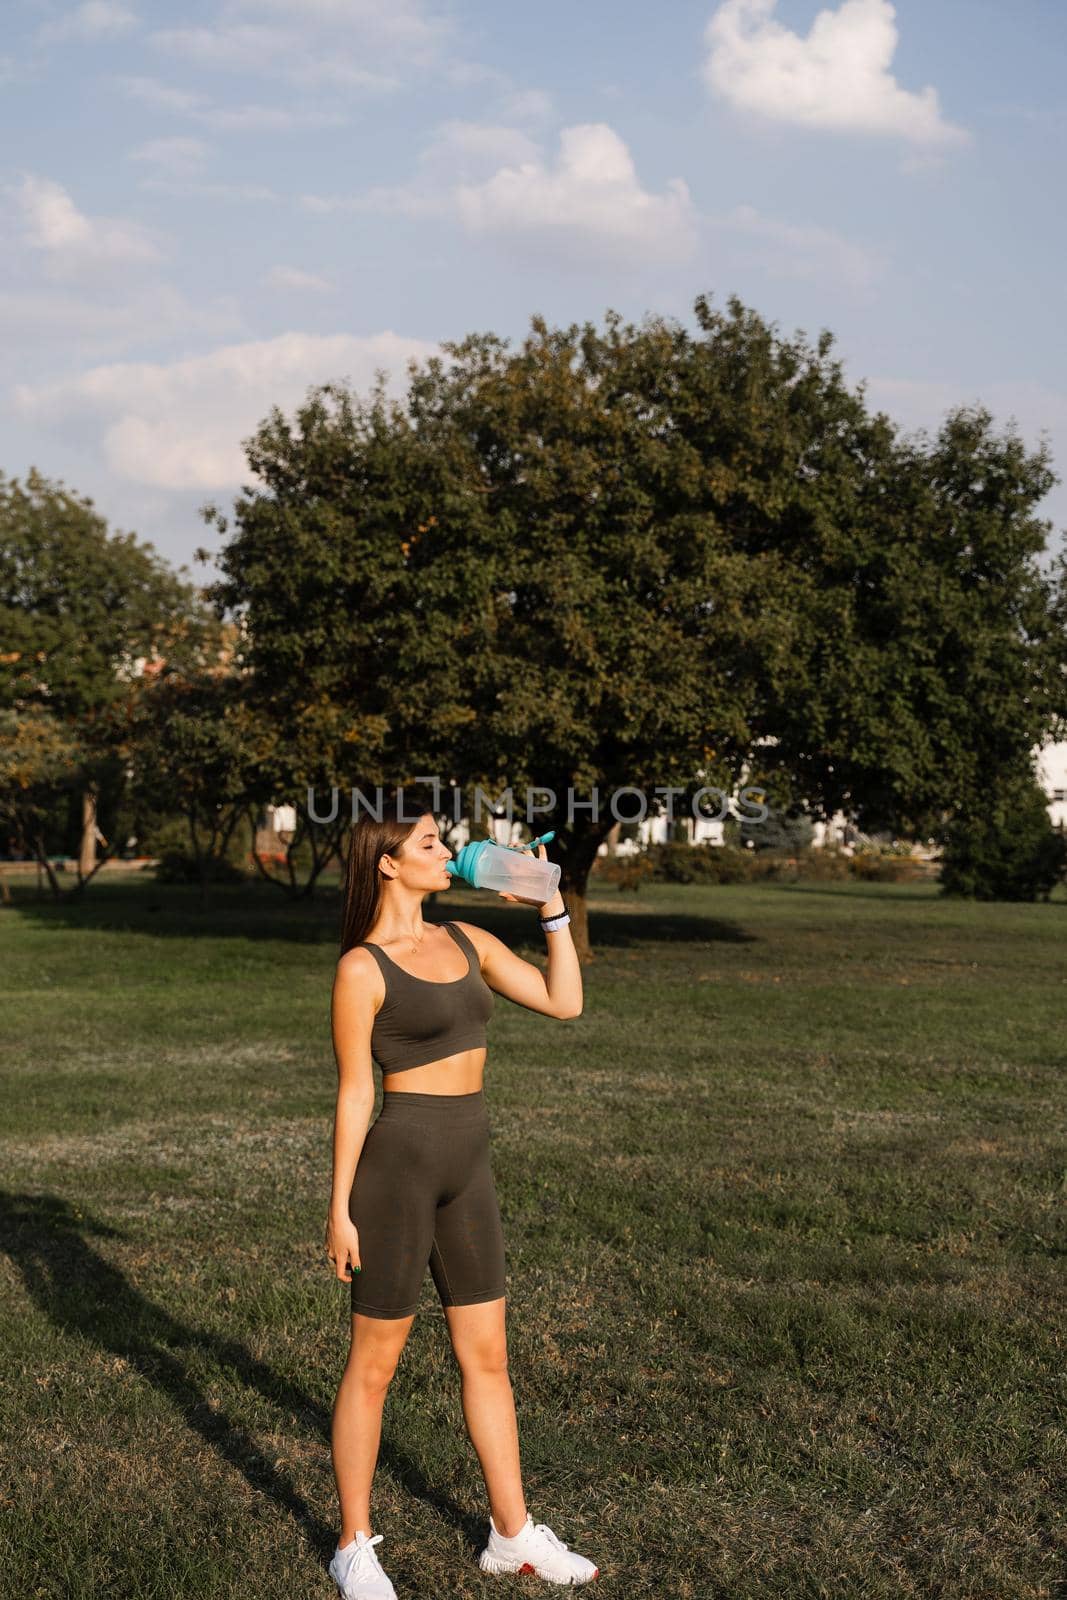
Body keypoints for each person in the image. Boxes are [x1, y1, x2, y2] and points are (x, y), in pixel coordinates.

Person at [323, 790, 600, 1599]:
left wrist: (552, 911)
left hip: (468, 1163)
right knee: (373, 1368)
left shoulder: (468, 938)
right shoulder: (360, 968)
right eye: (433, 843)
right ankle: (352, 1544)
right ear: (388, 861)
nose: (451, 853)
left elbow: (565, 1002)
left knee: (489, 1358)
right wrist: (339, 1209)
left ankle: (511, 1536)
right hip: (399, 1167)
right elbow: (352, 1096)